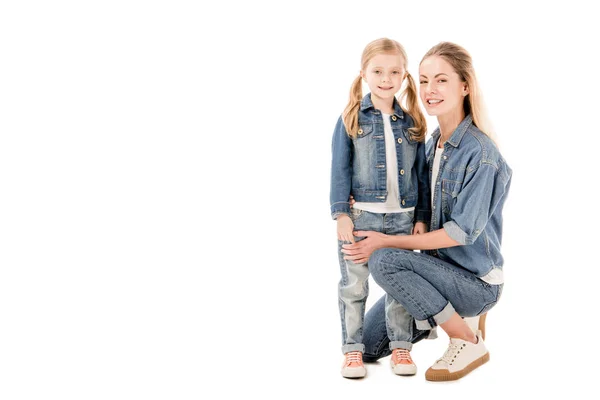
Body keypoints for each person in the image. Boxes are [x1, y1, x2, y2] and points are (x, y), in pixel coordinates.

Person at [341, 42, 512, 381]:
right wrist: (353, 199)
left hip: (474, 281)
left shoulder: (482, 155)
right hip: (433, 274)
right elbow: (409, 191)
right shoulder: (431, 144)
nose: (430, 90)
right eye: (423, 80)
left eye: (442, 80)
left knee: (383, 259)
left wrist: (383, 242)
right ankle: (445, 312)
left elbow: (459, 233)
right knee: (371, 345)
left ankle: (466, 336)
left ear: (465, 86)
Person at [330, 38, 431, 379]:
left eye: (394, 72)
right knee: (354, 287)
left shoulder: (412, 120)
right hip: (361, 218)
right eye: (378, 71)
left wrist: (420, 218)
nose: (386, 78)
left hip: (402, 219)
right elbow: (339, 169)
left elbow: (421, 176)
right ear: (363, 74)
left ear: (404, 76)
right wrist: (342, 213)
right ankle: (352, 352)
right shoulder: (352, 117)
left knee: (399, 286)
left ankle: (401, 348)